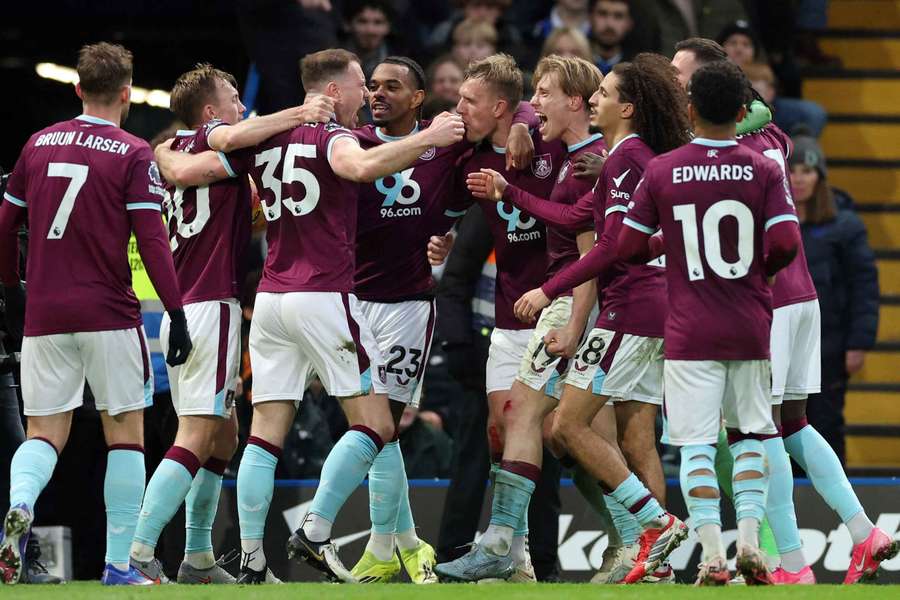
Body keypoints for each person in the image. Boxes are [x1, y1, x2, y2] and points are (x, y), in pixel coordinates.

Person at [232, 48, 464, 584]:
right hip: (329, 295)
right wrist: (428, 139)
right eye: (365, 83)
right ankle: (316, 531)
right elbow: (358, 167)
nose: (371, 94)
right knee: (377, 424)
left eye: (383, 85)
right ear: (336, 91)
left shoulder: (266, 136)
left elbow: (213, 150)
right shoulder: (340, 137)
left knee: (268, 431)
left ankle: (255, 559)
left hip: (274, 298)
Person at [476, 52, 694, 585]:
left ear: (629, 105)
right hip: (647, 305)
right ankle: (652, 560)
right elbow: (586, 220)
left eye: (606, 92)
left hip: (626, 309)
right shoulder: (635, 155)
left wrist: (550, 287)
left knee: (565, 425)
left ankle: (655, 526)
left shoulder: (623, 158)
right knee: (630, 438)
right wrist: (513, 191)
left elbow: (610, 245)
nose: (597, 98)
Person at [127, 65, 333, 584]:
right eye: (235, 98)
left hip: (187, 309)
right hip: (209, 305)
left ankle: (197, 558)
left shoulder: (173, 147)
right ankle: (138, 553)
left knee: (223, 436)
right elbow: (240, 136)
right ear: (210, 113)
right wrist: (302, 113)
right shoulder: (222, 144)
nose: (243, 106)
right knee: (196, 433)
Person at [0, 42, 192, 586]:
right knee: (125, 433)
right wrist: (175, 313)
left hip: (44, 313)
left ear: (77, 88)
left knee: (43, 433)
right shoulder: (133, 153)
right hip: (108, 313)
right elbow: (153, 241)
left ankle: (19, 507)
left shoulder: (37, 144)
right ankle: (117, 564)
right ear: (128, 93)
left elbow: (4, 222)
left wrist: (13, 288)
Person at [618, 59, 800, 585]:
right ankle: (749, 543)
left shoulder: (663, 169)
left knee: (696, 444)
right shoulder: (763, 167)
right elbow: (786, 241)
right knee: (747, 437)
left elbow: (628, 246)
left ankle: (712, 557)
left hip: (689, 327)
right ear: (744, 111)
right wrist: (753, 272)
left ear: (690, 108)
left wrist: (669, 246)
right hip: (748, 322)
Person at [430, 53, 569, 583]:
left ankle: (642, 536)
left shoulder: (547, 143)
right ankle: (517, 557)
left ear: (501, 107)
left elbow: (557, 118)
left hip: (557, 307)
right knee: (501, 429)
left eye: (469, 100)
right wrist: (436, 238)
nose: (459, 107)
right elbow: (442, 215)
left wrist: (529, 124)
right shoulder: (467, 159)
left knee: (568, 438)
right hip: (510, 315)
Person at [787, 134, 894, 582]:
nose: (800, 178)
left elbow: (865, 289)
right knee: (791, 431)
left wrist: (859, 342)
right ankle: (823, 525)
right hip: (788, 342)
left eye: (808, 171)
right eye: (794, 170)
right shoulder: (780, 220)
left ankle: (822, 522)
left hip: (827, 348)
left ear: (821, 176)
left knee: (820, 426)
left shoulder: (844, 226)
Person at [716, 21, 827, 136]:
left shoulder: (763, 69)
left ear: (755, 51)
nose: (739, 49)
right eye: (733, 43)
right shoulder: (709, 69)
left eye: (746, 44)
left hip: (767, 109)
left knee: (813, 112)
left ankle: (794, 148)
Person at [342, 0, 398, 79]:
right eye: (362, 22)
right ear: (347, 25)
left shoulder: (401, 59)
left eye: (378, 22)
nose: (370, 30)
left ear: (388, 27)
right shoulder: (331, 58)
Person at [589, 0, 634, 74]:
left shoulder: (636, 69)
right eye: (602, 14)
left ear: (629, 23)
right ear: (590, 18)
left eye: (618, 16)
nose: (609, 24)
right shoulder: (576, 58)